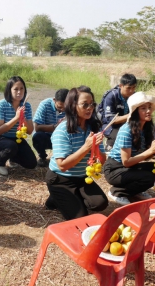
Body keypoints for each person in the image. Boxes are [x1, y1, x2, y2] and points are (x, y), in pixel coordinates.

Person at [45, 86, 108, 220]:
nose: (90, 108)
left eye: (92, 104)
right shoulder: (62, 130)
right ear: (73, 105)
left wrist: (96, 148)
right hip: (60, 178)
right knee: (80, 217)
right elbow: (62, 165)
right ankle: (57, 197)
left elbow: (102, 160)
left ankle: (65, 197)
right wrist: (86, 147)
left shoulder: (93, 127)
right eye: (85, 104)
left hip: (81, 177)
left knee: (100, 204)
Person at [104, 92, 155, 206]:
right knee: (148, 177)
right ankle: (117, 192)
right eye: (143, 108)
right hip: (114, 169)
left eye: (149, 107)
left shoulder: (146, 128)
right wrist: (151, 150)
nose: (148, 111)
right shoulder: (126, 130)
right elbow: (126, 162)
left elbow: (144, 155)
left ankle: (136, 190)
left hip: (129, 167)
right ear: (134, 112)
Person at [0, 76, 37, 176]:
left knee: (31, 164)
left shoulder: (26, 106)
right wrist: (16, 118)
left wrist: (22, 118)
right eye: (16, 89)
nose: (19, 92)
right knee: (11, 146)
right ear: (9, 90)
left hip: (17, 139)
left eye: (21, 89)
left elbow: (29, 131)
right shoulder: (1, 104)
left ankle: (13, 158)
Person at [97, 73, 137, 150]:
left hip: (127, 124)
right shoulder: (111, 96)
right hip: (109, 125)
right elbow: (111, 120)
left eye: (134, 87)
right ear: (120, 86)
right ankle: (109, 147)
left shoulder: (135, 96)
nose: (132, 91)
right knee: (121, 136)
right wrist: (131, 115)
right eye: (128, 88)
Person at [32, 88, 68, 167]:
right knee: (37, 136)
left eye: (65, 107)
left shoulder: (71, 107)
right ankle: (42, 156)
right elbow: (37, 127)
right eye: (60, 107)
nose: (62, 110)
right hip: (47, 137)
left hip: (63, 138)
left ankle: (63, 157)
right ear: (54, 100)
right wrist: (55, 127)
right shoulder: (44, 104)